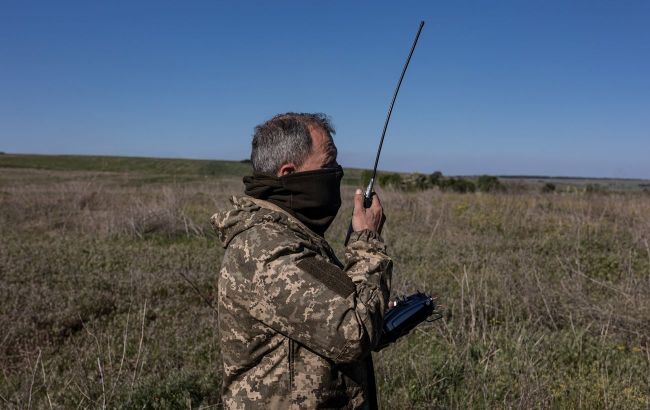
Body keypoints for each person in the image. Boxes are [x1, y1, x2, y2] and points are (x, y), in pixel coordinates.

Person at [211, 112, 392, 409]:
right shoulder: (267, 249)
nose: (337, 172)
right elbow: (352, 333)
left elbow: (334, 314)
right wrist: (367, 242)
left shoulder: (291, 235)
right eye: (328, 165)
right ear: (288, 173)